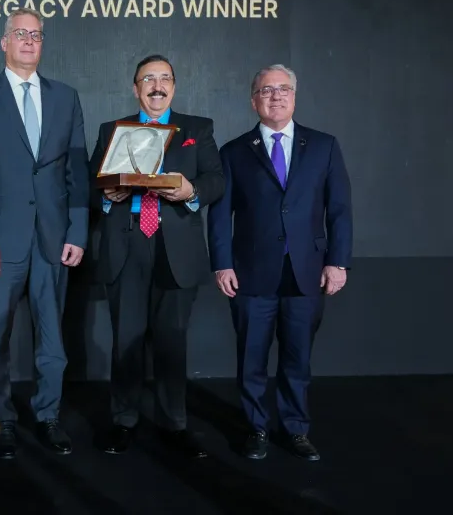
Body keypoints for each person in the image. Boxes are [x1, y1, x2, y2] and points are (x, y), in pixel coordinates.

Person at [0, 7, 89, 458]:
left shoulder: (66, 97)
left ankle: (48, 414)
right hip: (0, 240)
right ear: (4, 42)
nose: (30, 41)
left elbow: (77, 171)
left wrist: (77, 231)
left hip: (53, 238)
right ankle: (2, 417)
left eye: (37, 35)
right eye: (21, 33)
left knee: (52, 339)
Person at [207, 64, 352, 461]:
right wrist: (222, 264)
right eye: (266, 90)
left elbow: (340, 209)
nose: (275, 96)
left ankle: (295, 428)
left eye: (283, 89)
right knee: (251, 357)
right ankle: (256, 428)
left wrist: (338, 262)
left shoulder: (323, 146)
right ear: (253, 100)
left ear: (294, 96)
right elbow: (219, 216)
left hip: (307, 271)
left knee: (297, 358)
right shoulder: (234, 152)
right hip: (250, 273)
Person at [89, 54, 224, 458]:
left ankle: (174, 424)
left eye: (165, 78)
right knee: (125, 339)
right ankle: (123, 421)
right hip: (127, 243)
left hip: (175, 246)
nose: (157, 85)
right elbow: (90, 184)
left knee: (172, 341)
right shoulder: (111, 130)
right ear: (135, 88)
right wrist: (107, 197)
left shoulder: (197, 129)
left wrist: (191, 191)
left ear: (174, 87)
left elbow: (216, 180)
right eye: (148, 79)